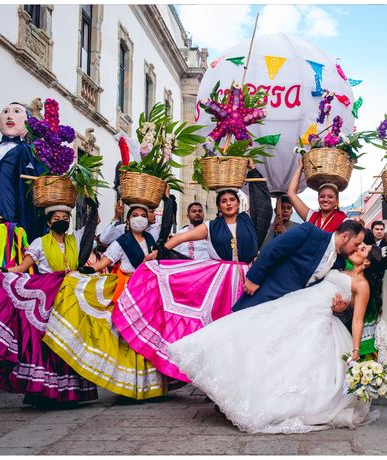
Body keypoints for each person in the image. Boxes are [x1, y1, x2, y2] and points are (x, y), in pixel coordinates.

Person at [166, 243, 384, 433]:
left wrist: (355, 351)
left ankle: (273, 404)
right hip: (299, 303)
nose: (357, 248)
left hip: (318, 318)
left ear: (367, 262)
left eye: (363, 249)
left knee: (294, 358)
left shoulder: (361, 285)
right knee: (261, 332)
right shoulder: (340, 267)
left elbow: (357, 319)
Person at [110, 164, 272, 382]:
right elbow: (180, 239)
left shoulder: (248, 221)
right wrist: (159, 251)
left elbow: (263, 206)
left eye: (232, 200)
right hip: (221, 281)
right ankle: (216, 376)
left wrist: (253, 172)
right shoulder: (211, 226)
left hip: (247, 276)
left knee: (248, 326)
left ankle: (246, 374)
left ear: (238, 202)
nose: (228, 204)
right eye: (223, 201)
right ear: (219, 206)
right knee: (220, 327)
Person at [0, 205, 97, 406]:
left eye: (65, 217)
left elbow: (93, 224)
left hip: (70, 294)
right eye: (56, 217)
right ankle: (43, 392)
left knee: (70, 339)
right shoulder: (39, 243)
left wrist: (92, 201)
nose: (61, 220)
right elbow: (22, 268)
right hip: (47, 294)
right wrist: (0, 270)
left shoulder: (76, 240)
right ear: (48, 222)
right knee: (47, 342)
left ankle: (69, 393)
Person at [42, 204, 172, 400]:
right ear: (128, 221)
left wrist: (169, 201)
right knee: (130, 337)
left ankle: (152, 385)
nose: (139, 218)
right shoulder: (122, 242)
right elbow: (105, 261)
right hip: (129, 289)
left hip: (149, 291)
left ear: (148, 220)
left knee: (150, 335)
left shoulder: (152, 240)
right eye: (135, 215)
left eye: (142, 216)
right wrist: (88, 270)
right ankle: (130, 385)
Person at [232, 219, 366, 312]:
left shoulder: (339, 262)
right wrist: (254, 278)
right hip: (269, 294)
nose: (356, 249)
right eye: (355, 244)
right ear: (345, 236)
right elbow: (274, 248)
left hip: (292, 310)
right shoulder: (310, 232)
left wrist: (337, 308)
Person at [0, 102, 46, 241]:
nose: (10, 116)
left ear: (28, 123)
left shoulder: (34, 155)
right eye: (5, 112)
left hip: (18, 228)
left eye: (17, 111)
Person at [287, 159, 347, 232]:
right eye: (322, 196)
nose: (325, 200)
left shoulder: (344, 221)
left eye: (330, 197)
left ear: (337, 201)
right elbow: (291, 194)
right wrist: (300, 168)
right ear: (318, 199)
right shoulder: (311, 216)